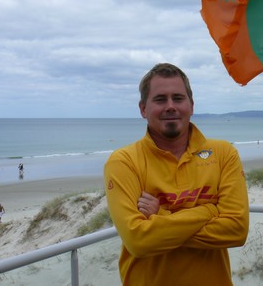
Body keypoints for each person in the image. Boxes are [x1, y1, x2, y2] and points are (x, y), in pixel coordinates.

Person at [104, 63, 249, 285]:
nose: (170, 106)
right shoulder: (124, 161)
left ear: (191, 105)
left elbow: (236, 231)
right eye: (160, 99)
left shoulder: (223, 153)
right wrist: (209, 210)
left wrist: (162, 217)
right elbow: (139, 240)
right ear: (143, 109)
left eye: (178, 98)